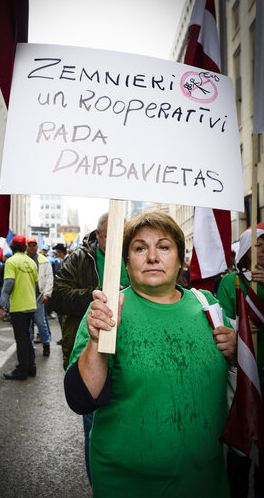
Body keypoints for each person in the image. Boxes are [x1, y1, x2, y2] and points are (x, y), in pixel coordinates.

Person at [64, 210, 236, 498]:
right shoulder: (108, 309)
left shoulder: (207, 304)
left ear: (181, 259)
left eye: (164, 247)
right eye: (140, 248)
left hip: (205, 480)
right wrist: (96, 342)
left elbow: (241, 384)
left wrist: (233, 353)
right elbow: (81, 399)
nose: (153, 257)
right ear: (127, 262)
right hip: (128, 484)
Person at [52, 212, 129, 483]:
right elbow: (57, 297)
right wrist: (97, 295)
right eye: (112, 237)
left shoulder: (136, 256)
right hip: (90, 353)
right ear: (98, 236)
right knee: (95, 428)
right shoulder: (79, 259)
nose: (120, 243)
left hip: (131, 360)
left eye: (124, 237)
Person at [217, 227, 264, 498]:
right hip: (243, 373)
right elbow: (224, 320)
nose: (263, 250)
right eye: (258, 245)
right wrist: (242, 329)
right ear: (246, 251)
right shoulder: (231, 283)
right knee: (241, 444)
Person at [0, 235, 38, 380]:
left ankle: (22, 370)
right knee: (27, 337)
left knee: (21, 338)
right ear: (24, 247)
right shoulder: (31, 262)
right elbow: (35, 283)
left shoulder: (11, 261)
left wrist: (1, 306)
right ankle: (31, 367)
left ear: (13, 247)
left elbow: (8, 285)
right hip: (31, 305)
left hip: (19, 306)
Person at [26, 238, 53, 356]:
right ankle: (30, 346)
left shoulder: (44, 260)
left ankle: (46, 344)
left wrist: (47, 294)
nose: (32, 247)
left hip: (39, 296)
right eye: (29, 245)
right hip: (25, 296)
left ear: (37, 247)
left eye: (34, 245)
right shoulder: (23, 260)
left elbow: (49, 278)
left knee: (41, 322)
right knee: (28, 323)